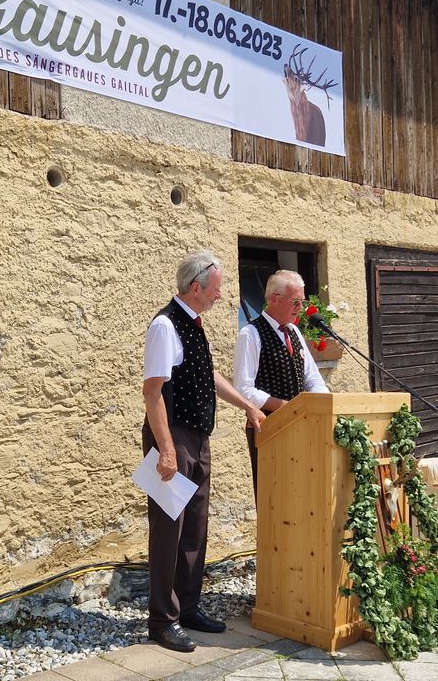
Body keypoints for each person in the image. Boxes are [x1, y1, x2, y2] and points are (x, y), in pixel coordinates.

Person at [142, 250, 265, 653]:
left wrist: (247, 404)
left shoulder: (193, 325)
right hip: (172, 437)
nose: (221, 295)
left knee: (194, 527)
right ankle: (162, 620)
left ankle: (188, 607)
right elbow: (153, 391)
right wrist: (165, 449)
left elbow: (208, 375)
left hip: (197, 437)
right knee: (168, 532)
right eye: (217, 288)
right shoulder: (165, 324)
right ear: (196, 287)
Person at [233, 269, 329, 499]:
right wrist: (286, 406)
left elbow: (312, 378)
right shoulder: (251, 334)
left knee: (299, 495)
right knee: (273, 498)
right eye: (295, 301)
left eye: (302, 302)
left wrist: (325, 402)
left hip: (298, 426)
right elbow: (243, 389)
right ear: (274, 299)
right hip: (268, 428)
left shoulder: (294, 331)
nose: (300, 308)